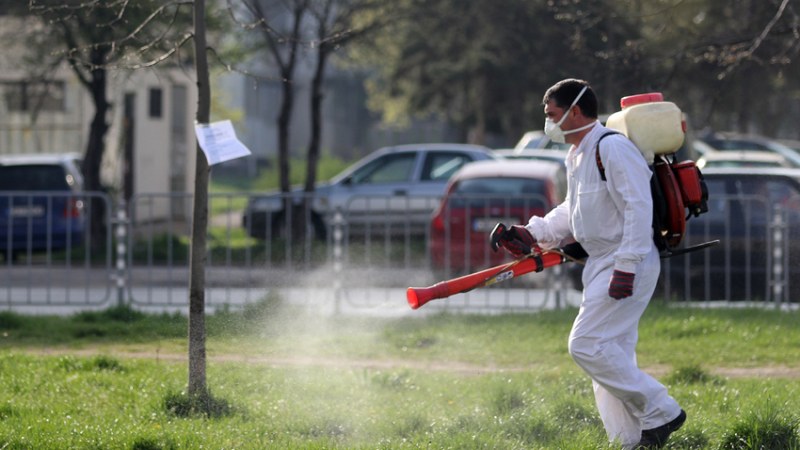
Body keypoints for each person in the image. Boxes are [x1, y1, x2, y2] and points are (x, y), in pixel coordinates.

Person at [490, 79, 686, 449]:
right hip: (602, 261)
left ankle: (663, 412)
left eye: (551, 115)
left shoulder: (612, 149)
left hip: (629, 259)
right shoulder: (578, 153)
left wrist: (626, 267)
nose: (548, 123)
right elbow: (573, 210)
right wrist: (534, 232)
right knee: (610, 358)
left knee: (586, 345)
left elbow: (638, 208)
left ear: (575, 111)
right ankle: (629, 441)